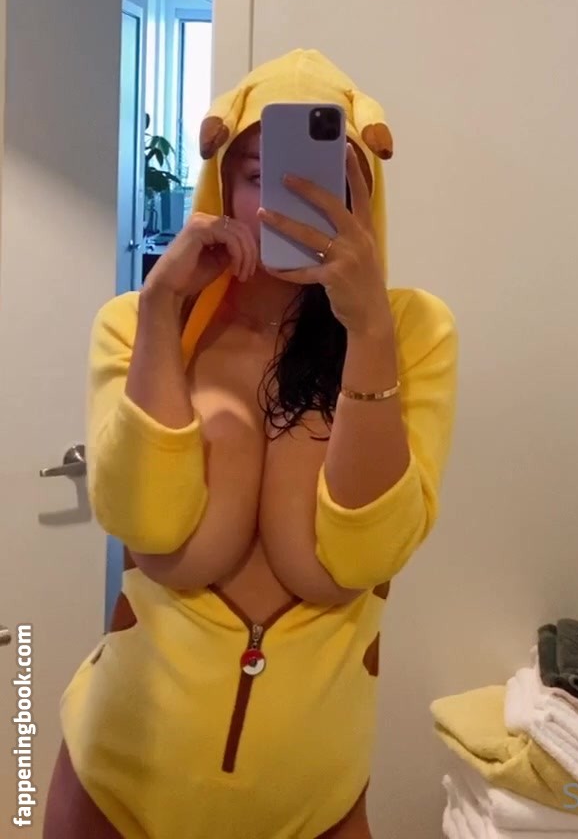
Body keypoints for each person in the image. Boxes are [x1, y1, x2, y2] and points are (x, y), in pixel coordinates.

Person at [44, 49, 458, 839]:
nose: (283, 202)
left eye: (321, 179)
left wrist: (368, 330)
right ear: (222, 188)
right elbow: (140, 520)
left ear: (366, 198)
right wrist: (161, 311)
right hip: (114, 780)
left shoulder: (413, 332)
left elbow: (368, 551)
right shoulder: (139, 322)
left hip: (316, 803)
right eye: (258, 174)